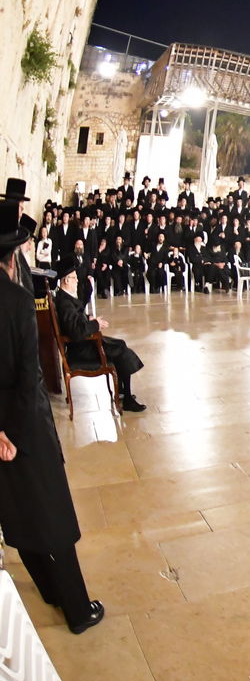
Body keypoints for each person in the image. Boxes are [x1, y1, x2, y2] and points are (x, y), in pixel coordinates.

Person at [0, 205, 103, 634]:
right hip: (25, 427)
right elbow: (29, 378)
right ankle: (78, 609)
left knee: (18, 513)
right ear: (11, 258)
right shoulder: (19, 302)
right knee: (55, 517)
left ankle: (46, 588)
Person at [50, 258, 147, 412]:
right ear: (66, 280)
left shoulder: (64, 297)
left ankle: (123, 392)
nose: (77, 281)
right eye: (74, 278)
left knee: (120, 345)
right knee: (121, 348)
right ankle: (126, 398)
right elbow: (76, 332)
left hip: (83, 344)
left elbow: (75, 321)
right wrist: (95, 325)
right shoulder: (65, 303)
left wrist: (89, 319)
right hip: (82, 349)